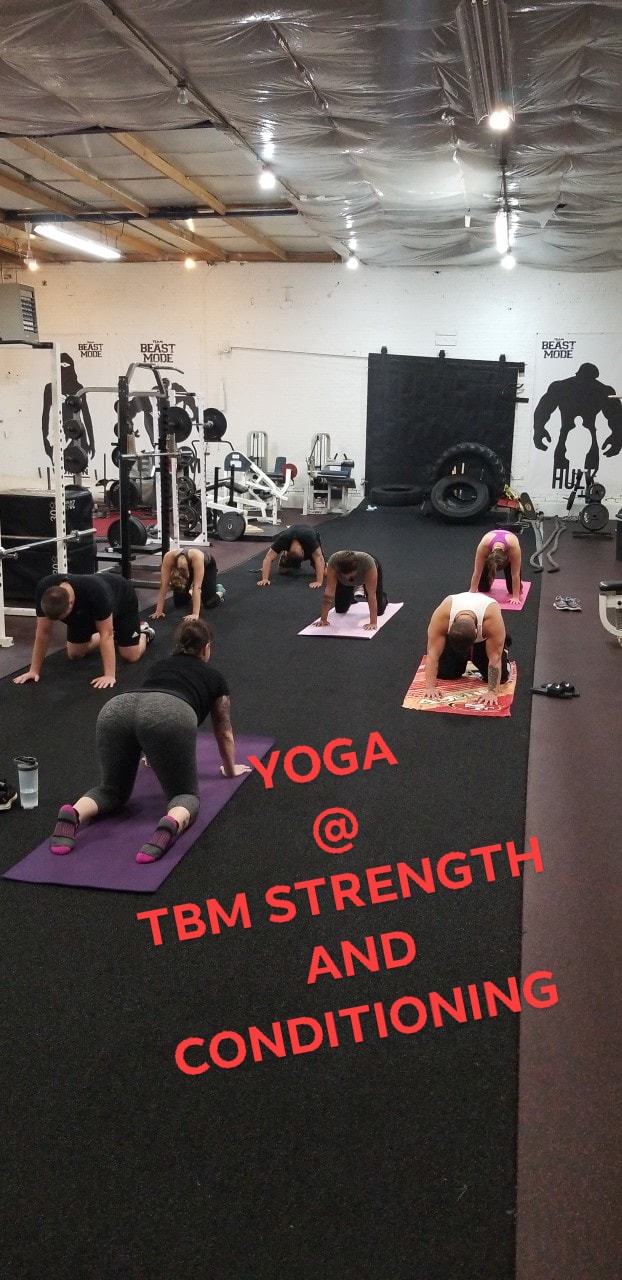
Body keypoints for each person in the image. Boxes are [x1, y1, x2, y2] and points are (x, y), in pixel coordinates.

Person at [47, 618, 250, 864]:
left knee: (111, 790)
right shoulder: (215, 677)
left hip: (117, 708)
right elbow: (224, 731)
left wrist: (152, 750)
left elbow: (143, 709)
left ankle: (74, 812)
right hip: (169, 713)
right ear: (206, 648)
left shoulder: (158, 665)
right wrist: (230, 769)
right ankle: (170, 823)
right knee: (184, 794)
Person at [13, 571, 154, 691]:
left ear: (71, 604)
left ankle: (144, 632)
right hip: (86, 611)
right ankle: (119, 635)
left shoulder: (95, 592)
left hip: (121, 599)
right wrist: (33, 670)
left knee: (130, 656)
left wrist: (109, 675)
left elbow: (106, 634)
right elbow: (43, 632)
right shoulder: (44, 589)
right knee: (75, 654)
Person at [424, 591, 510, 706]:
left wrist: (492, 692)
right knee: (446, 674)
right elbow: (432, 653)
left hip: (484, 639)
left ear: (476, 632)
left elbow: (495, 658)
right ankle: (461, 656)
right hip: (456, 637)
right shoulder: (442, 616)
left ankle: (503, 643)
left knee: (501, 678)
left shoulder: (491, 618)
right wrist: (430, 687)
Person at [315, 550, 388, 631]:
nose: (347, 577)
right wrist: (323, 619)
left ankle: (383, 596)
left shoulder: (368, 564)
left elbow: (371, 595)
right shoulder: (333, 563)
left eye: (349, 575)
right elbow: (329, 592)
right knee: (340, 609)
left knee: (379, 611)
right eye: (345, 576)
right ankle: (350, 597)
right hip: (343, 580)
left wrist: (373, 622)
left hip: (368, 571)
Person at [151, 548, 224, 620]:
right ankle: (191, 593)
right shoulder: (168, 557)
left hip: (207, 566)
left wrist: (195, 614)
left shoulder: (197, 557)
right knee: (179, 602)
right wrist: (158, 611)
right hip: (187, 568)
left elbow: (197, 587)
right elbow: (164, 584)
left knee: (209, 603)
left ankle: (220, 591)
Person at [257, 524, 326, 588]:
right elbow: (268, 557)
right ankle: (290, 558)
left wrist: (319, 581)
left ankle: (325, 564)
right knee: (282, 571)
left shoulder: (310, 541)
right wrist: (265, 579)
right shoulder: (283, 539)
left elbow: (319, 558)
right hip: (291, 547)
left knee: (325, 573)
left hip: (309, 539)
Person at [470, 529, 522, 604]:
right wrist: (471, 593)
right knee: (482, 588)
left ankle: (520, 583)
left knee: (512, 590)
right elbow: (477, 572)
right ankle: (488, 579)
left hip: (508, 553)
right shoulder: (484, 547)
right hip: (490, 553)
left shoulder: (513, 548)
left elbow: (515, 574)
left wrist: (516, 597)